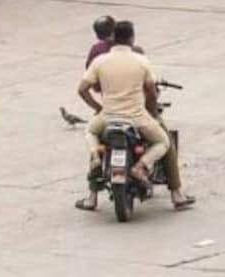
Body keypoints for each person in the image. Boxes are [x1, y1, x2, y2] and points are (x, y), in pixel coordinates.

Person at [77, 19, 194, 211]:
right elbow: (151, 92)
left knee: (91, 133)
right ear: (131, 38)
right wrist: (153, 113)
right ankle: (158, 179)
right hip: (137, 117)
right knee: (164, 142)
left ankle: (93, 183)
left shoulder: (99, 60)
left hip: (108, 116)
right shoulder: (141, 60)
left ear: (114, 38)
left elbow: (82, 89)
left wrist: (98, 107)